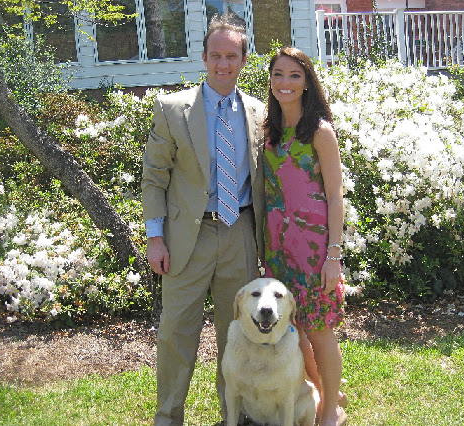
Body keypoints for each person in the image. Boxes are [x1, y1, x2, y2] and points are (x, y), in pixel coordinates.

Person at [141, 14, 266, 425]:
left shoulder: (259, 112)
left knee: (240, 334)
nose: (223, 64)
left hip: (240, 231)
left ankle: (236, 417)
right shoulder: (173, 109)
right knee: (176, 331)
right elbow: (154, 178)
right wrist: (155, 238)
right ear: (204, 57)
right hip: (186, 238)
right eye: (216, 55)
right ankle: (168, 417)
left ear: (243, 59)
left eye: (231, 56)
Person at [263, 47, 347, 426]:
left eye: (294, 75)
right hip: (278, 252)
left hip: (314, 251)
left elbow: (335, 197)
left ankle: (329, 411)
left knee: (320, 332)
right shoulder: (269, 132)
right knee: (294, 333)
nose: (286, 82)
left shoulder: (320, 132)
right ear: (270, 80)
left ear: (307, 82)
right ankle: (329, 392)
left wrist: (334, 255)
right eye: (278, 74)